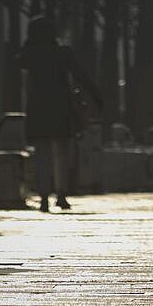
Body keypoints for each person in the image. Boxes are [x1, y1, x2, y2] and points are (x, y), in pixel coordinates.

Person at [22, 17, 102, 212]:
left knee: (42, 152)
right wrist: (96, 95)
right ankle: (61, 194)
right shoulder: (62, 53)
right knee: (61, 152)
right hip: (60, 107)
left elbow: (20, 63)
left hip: (38, 107)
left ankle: (43, 197)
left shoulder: (29, 54)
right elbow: (80, 74)